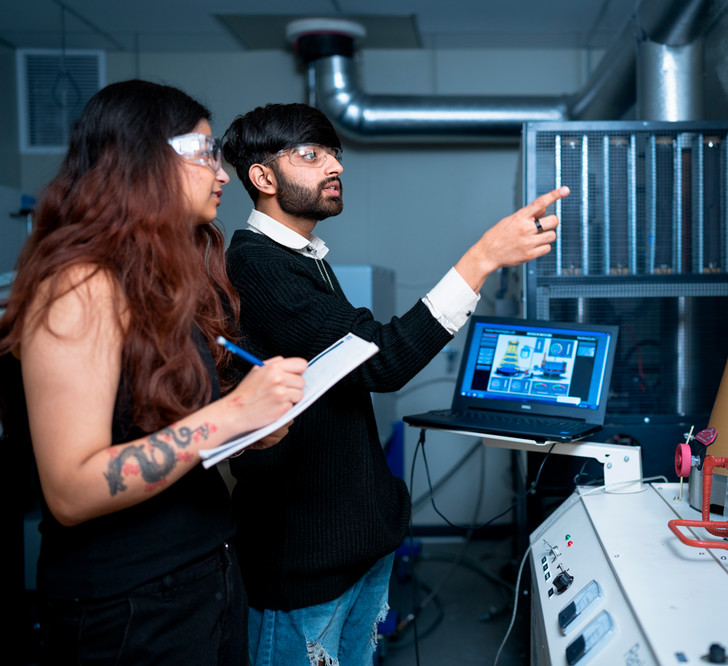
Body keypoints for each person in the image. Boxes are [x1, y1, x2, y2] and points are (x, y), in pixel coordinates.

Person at [221, 102, 567, 665]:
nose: (333, 166)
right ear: (262, 177)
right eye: (310, 155)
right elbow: (381, 361)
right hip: (304, 568)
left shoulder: (306, 260)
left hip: (353, 550)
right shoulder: (256, 266)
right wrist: (481, 260)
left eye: (334, 153)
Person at [0, 80, 308, 665]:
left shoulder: (160, 285)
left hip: (206, 577)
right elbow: (69, 490)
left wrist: (248, 427)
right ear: (140, 158)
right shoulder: (80, 285)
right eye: (204, 153)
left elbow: (160, 429)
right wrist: (233, 413)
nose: (222, 173)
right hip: (130, 608)